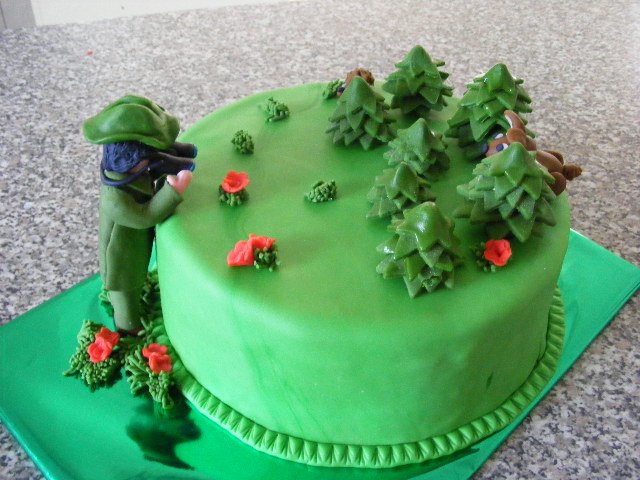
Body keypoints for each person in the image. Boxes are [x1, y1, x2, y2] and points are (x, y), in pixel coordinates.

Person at [84, 96, 196, 333]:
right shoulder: (115, 200)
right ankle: (128, 328)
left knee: (134, 285)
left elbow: (151, 173)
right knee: (125, 298)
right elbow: (145, 216)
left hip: (134, 251)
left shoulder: (130, 175)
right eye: (147, 157)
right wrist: (173, 191)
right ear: (130, 160)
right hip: (122, 262)